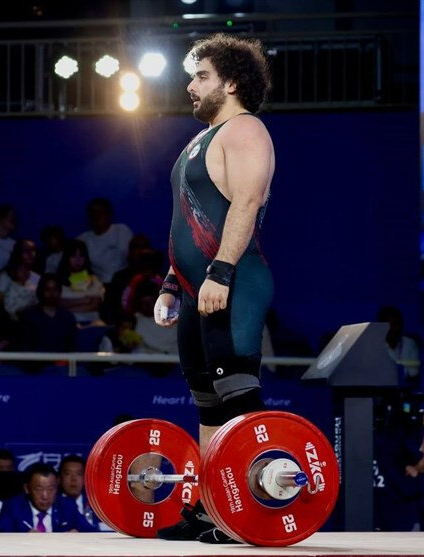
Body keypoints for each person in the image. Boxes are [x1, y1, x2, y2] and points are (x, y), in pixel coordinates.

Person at [152, 33, 273, 543]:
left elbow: (246, 202)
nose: (191, 85)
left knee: (236, 396)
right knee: (207, 400)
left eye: (202, 76)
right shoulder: (198, 141)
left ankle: (250, 509)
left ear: (232, 82)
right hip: (195, 286)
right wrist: (170, 283)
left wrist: (221, 271)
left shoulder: (245, 130)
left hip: (234, 280)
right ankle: (212, 508)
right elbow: (185, 220)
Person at [373, 402, 424, 531]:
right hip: (394, 517)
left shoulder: (371, 437)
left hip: (394, 518)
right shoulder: (395, 439)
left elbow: (419, 467)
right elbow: (422, 464)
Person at [0, 463, 95, 533]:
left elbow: (92, 533)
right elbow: (4, 537)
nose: (45, 496)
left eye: (51, 489)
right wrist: (23, 539)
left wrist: (79, 536)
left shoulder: (67, 506)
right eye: (39, 489)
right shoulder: (12, 507)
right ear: (27, 488)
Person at [77, 198, 133, 285]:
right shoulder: (82, 239)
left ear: (109, 214)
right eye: (93, 213)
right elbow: (73, 268)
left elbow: (135, 259)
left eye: (100, 213)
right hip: (98, 286)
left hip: (125, 283)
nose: (96, 216)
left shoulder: (122, 231)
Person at [56, 240, 105, 325]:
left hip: (91, 322)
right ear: (66, 257)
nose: (78, 260)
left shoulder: (94, 279)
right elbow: (58, 303)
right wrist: (83, 300)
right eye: (73, 256)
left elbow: (94, 305)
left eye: (81, 256)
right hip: (66, 323)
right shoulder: (57, 280)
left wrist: (67, 309)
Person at [377, 305, 421, 388]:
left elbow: (414, 374)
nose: (394, 328)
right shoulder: (374, 346)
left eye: (396, 324)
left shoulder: (410, 343)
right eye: (390, 325)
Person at [58, 455, 103, 530]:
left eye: (79, 474)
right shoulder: (53, 503)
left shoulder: (95, 503)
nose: (73, 479)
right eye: (68, 474)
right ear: (59, 479)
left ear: (85, 479)